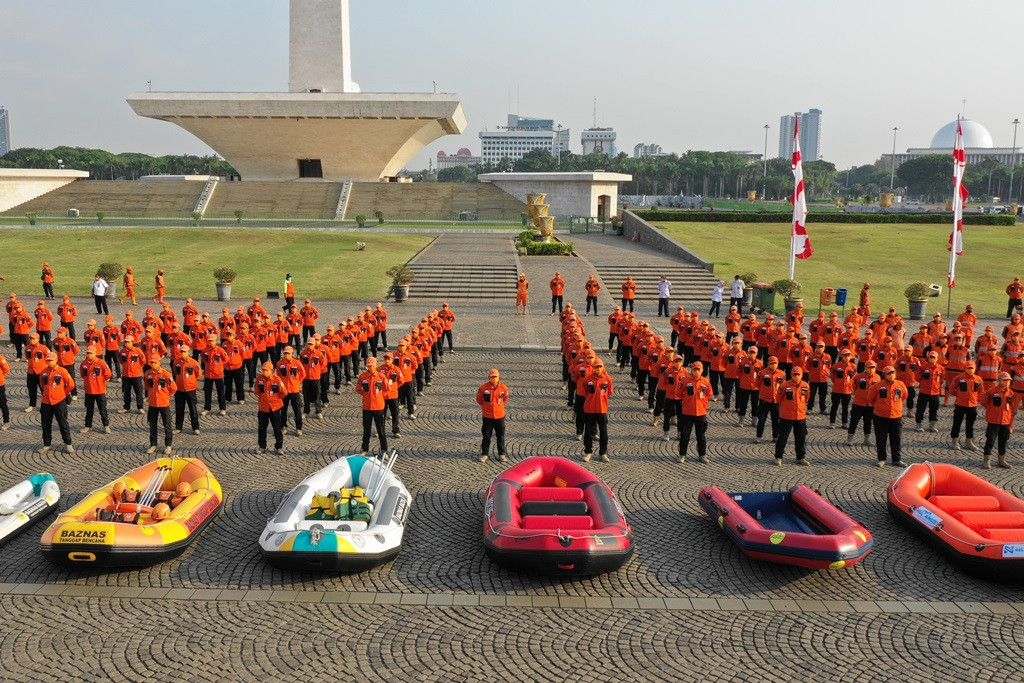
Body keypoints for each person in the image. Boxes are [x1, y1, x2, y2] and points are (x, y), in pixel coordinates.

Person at [868, 365, 908, 467]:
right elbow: (871, 399)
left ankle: (896, 459)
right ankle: (882, 459)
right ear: (884, 375)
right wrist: (881, 407)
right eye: (889, 373)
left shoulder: (900, 384)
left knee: (896, 439)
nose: (891, 375)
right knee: (881, 439)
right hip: (881, 417)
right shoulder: (878, 385)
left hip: (896, 416)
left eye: (893, 373)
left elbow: (904, 396)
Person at [38, 351, 75, 454]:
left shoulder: (62, 371)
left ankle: (68, 444)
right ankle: (47, 444)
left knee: (63, 423)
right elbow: (42, 384)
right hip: (46, 402)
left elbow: (71, 384)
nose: (49, 362)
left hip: (59, 401)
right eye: (48, 361)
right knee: (45, 424)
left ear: (56, 361)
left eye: (51, 361)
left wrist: (63, 393)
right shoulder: (43, 372)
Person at [981, 372, 1019, 469]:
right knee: (990, 440)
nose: (1007, 382)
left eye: (1009, 380)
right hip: (994, 420)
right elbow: (983, 402)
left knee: (1003, 440)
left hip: (1005, 420)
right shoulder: (992, 391)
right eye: (1005, 380)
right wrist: (992, 410)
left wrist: (1011, 421)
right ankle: (986, 460)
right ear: (1000, 380)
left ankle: (1001, 460)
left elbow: (1013, 406)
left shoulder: (1011, 393)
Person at [774, 365, 810, 466]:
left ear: (802, 375)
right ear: (791, 375)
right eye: (794, 374)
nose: (796, 376)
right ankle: (778, 456)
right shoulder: (785, 386)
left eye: (798, 375)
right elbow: (778, 398)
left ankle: (800, 457)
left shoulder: (805, 386)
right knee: (782, 437)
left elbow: (806, 398)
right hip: (787, 416)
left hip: (800, 416)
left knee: (801, 437)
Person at [678, 361, 713, 463]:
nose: (696, 371)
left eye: (698, 370)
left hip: (701, 413)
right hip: (687, 412)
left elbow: (709, 394)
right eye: (695, 369)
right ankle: (682, 455)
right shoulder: (685, 381)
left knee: (701, 436)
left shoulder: (706, 382)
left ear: (702, 370)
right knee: (685, 435)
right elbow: (679, 393)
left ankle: (702, 455)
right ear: (691, 370)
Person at [144, 353, 176, 455]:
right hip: (153, 404)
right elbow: (147, 386)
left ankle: (168, 445)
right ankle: (153, 444)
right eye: (151, 362)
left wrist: (166, 394)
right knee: (152, 424)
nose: (152, 364)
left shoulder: (166, 374)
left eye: (154, 362)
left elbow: (174, 387)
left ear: (159, 362)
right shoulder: (147, 374)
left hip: (163, 403)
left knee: (167, 424)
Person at [947, 361, 983, 451]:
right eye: (968, 368)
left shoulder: (978, 379)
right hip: (960, 404)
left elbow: (981, 392)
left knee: (970, 424)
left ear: (975, 369)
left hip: (972, 405)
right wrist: (959, 395)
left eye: (972, 368)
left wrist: (976, 400)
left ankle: (969, 441)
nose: (970, 370)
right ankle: (954, 440)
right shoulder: (959, 378)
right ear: (965, 368)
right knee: (957, 423)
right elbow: (951, 390)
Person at [582, 359, 613, 462]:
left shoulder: (607, 379)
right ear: (593, 368)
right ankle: (588, 452)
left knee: (603, 432)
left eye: (600, 367)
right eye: (596, 367)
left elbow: (609, 392)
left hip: (602, 409)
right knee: (588, 431)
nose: (598, 369)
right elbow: (585, 392)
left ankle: (603, 453)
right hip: (589, 409)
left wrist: (601, 400)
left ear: (603, 367)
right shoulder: (587, 379)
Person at [356, 356, 388, 455]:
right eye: (369, 366)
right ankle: (365, 449)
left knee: (381, 429)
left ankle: (384, 450)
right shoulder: (363, 377)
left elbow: (387, 389)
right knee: (366, 429)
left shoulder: (381, 376)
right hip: (367, 407)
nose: (370, 368)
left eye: (372, 366)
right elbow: (358, 389)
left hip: (378, 407)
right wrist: (366, 395)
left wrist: (379, 397)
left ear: (375, 366)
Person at [253, 362, 286, 455]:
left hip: (275, 408)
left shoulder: (277, 379)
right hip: (263, 408)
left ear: (271, 371)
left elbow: (284, 392)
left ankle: (279, 447)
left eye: (266, 370)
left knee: (277, 428)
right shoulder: (259, 379)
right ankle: (262, 446)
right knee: (262, 428)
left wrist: (275, 399)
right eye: (263, 370)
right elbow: (256, 391)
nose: (264, 372)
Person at [476, 368, 509, 463]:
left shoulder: (503, 388)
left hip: (499, 415)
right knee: (486, 435)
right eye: (492, 377)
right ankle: (484, 454)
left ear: (498, 377)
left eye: (495, 377)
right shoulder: (483, 388)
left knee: (500, 435)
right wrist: (486, 406)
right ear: (489, 377)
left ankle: (501, 454)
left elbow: (505, 398)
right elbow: (479, 399)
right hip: (487, 416)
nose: (494, 379)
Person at [847, 360, 880, 446]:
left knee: (868, 422)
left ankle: (866, 439)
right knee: (854, 421)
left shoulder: (877, 377)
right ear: (865, 368)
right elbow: (854, 387)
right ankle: (850, 438)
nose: (871, 369)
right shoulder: (858, 377)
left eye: (873, 367)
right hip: (858, 403)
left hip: (870, 404)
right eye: (870, 367)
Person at [171, 346, 201, 436]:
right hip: (179, 389)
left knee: (193, 409)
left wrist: (191, 381)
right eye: (181, 352)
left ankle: (195, 427)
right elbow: (175, 373)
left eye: (184, 352)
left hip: (190, 389)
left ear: (188, 352)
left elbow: (198, 374)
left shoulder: (194, 363)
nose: (182, 353)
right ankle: (178, 427)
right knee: (179, 409)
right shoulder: (176, 362)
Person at [754, 356, 785, 443]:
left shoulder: (781, 374)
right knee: (762, 419)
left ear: (778, 364)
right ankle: (759, 436)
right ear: (768, 364)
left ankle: (775, 436)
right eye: (772, 363)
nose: (773, 365)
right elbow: (757, 384)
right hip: (765, 400)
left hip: (776, 400)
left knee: (776, 419)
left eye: (775, 363)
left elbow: (783, 386)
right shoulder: (762, 373)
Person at [276, 345, 305, 436]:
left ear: (292, 354)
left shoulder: (297, 363)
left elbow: (303, 374)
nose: (286, 355)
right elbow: (278, 376)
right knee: (283, 410)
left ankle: (298, 428)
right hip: (284, 391)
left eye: (288, 353)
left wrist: (297, 382)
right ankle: (283, 426)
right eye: (285, 353)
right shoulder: (280, 364)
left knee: (297, 410)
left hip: (294, 390)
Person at [201, 335, 229, 417]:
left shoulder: (220, 350)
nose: (211, 342)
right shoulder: (204, 351)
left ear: (216, 341)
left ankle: (222, 408)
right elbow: (203, 359)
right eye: (209, 341)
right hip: (208, 375)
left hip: (218, 375)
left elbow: (226, 359)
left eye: (212, 341)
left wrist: (219, 366)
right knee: (207, 392)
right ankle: (207, 408)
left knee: (220, 392)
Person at [24, 333, 48, 413]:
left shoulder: (43, 348)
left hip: (40, 372)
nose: (31, 340)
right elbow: (27, 357)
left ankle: (45, 405)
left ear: (38, 339)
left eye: (33, 339)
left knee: (43, 389)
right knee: (31, 389)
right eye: (30, 339)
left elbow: (49, 357)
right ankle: (32, 405)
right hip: (31, 372)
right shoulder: (27, 348)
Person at [0, 352, 9, 430]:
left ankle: (6, 422)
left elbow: (6, 369)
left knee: (2, 403)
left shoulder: (0, 358)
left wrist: (1, 377)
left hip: (0, 384)